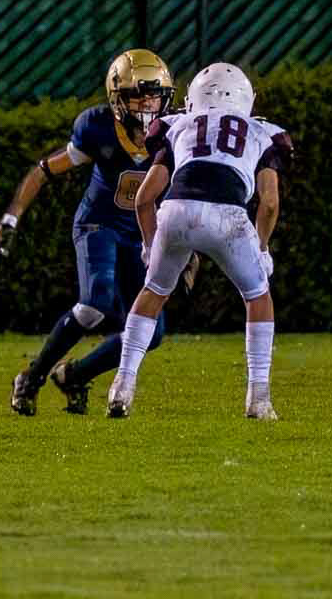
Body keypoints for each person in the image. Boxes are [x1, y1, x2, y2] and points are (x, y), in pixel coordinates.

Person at [0, 48, 188, 415]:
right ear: (117, 99)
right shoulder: (98, 128)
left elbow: (180, 193)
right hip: (97, 225)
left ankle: (74, 375)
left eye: (154, 96)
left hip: (140, 235)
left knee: (151, 332)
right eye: (137, 96)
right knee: (94, 304)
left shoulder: (174, 132)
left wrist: (186, 247)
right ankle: (32, 377)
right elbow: (44, 170)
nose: (147, 105)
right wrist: (9, 221)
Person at [104, 62, 293, 420]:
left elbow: (144, 198)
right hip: (228, 215)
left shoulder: (178, 124)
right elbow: (269, 203)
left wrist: (150, 244)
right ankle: (258, 398)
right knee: (257, 295)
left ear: (194, 98)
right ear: (246, 99)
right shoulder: (262, 132)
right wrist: (262, 247)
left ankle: (122, 385)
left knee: (153, 291)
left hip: (176, 209)